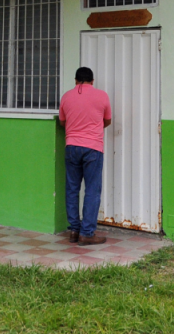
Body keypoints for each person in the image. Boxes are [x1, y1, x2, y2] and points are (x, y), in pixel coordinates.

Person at [58, 66, 111, 245]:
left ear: (75, 80)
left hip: (71, 147)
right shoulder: (102, 96)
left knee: (72, 189)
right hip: (93, 149)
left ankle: (74, 230)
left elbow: (62, 121)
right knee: (92, 190)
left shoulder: (66, 96)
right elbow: (107, 120)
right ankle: (87, 233)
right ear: (92, 81)